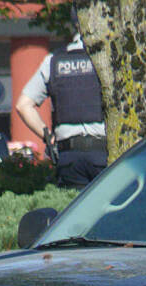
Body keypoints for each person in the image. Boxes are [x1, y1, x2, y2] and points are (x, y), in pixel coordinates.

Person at [15, 26, 108, 189]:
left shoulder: (53, 61)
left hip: (69, 158)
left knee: (75, 212)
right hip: (103, 154)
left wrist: (48, 137)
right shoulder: (107, 57)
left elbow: (23, 105)